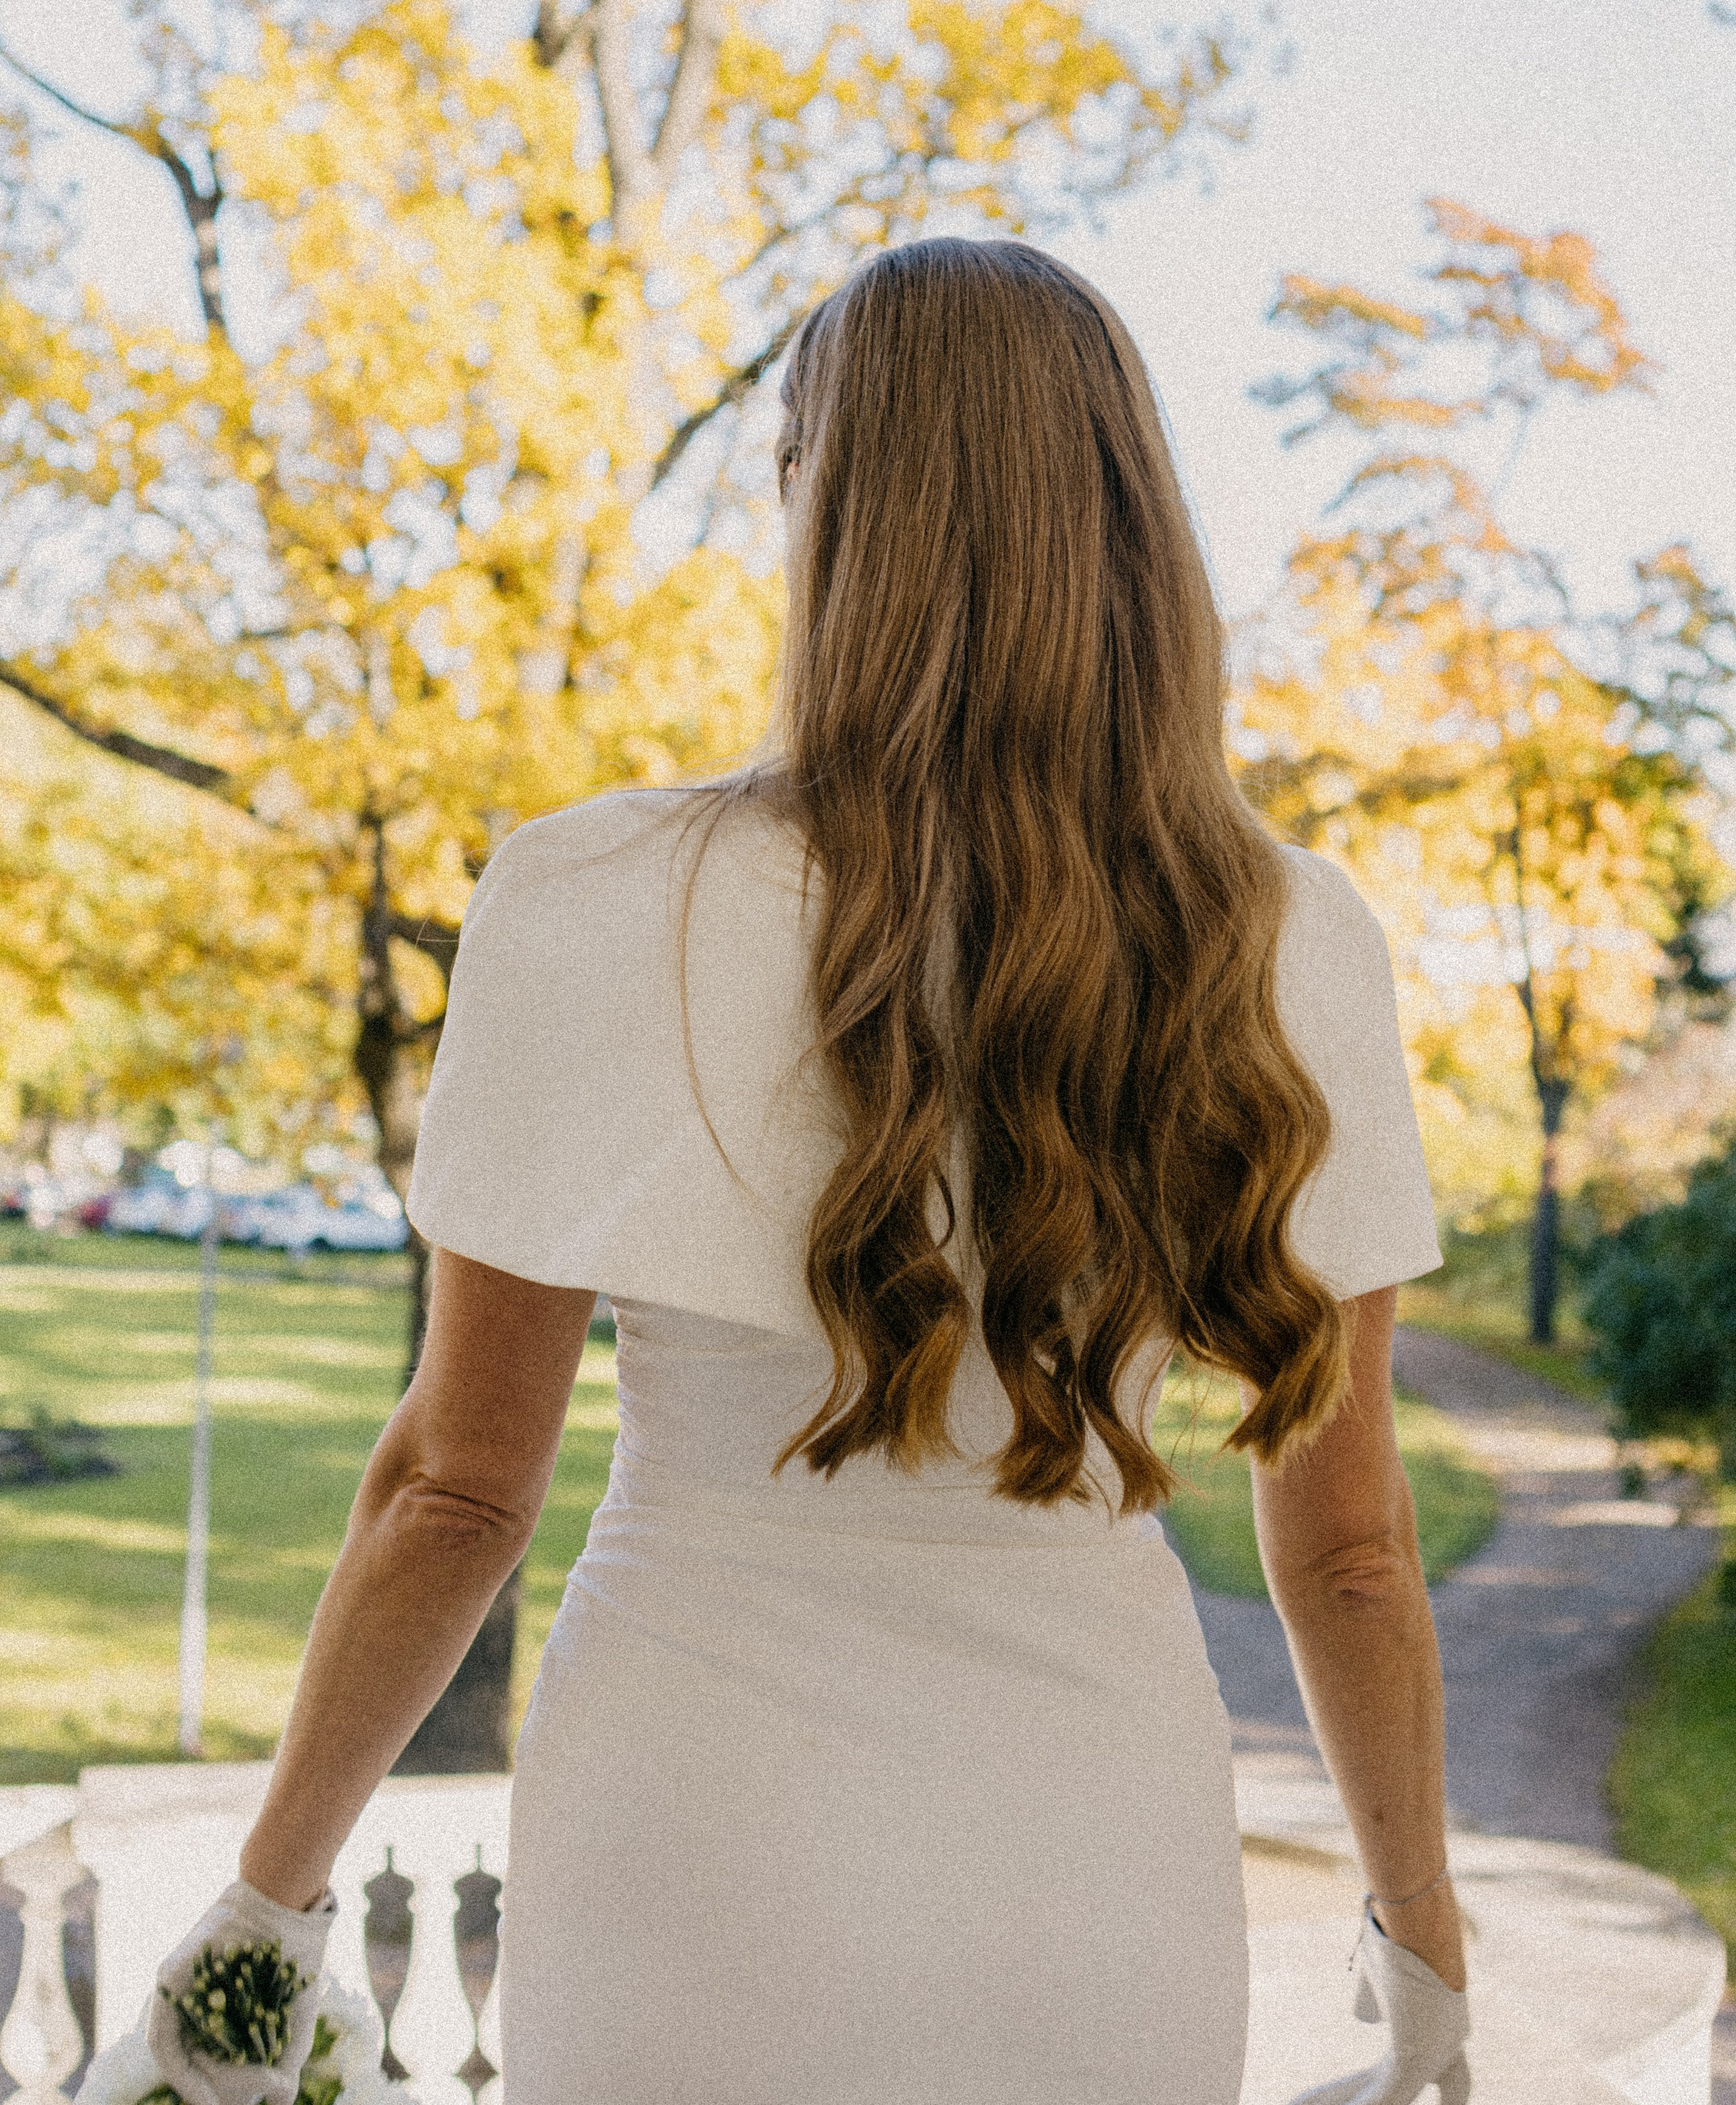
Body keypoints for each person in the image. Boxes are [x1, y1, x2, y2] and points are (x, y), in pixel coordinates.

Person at [147, 237, 1469, 2105]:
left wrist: (270, 1909)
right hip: (1093, 1868)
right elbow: (1350, 1552)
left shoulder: (585, 895)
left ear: (824, 506)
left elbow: (455, 1489)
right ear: (1130, 526)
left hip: (687, 1848)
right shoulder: (1288, 935)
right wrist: (1424, 1940)